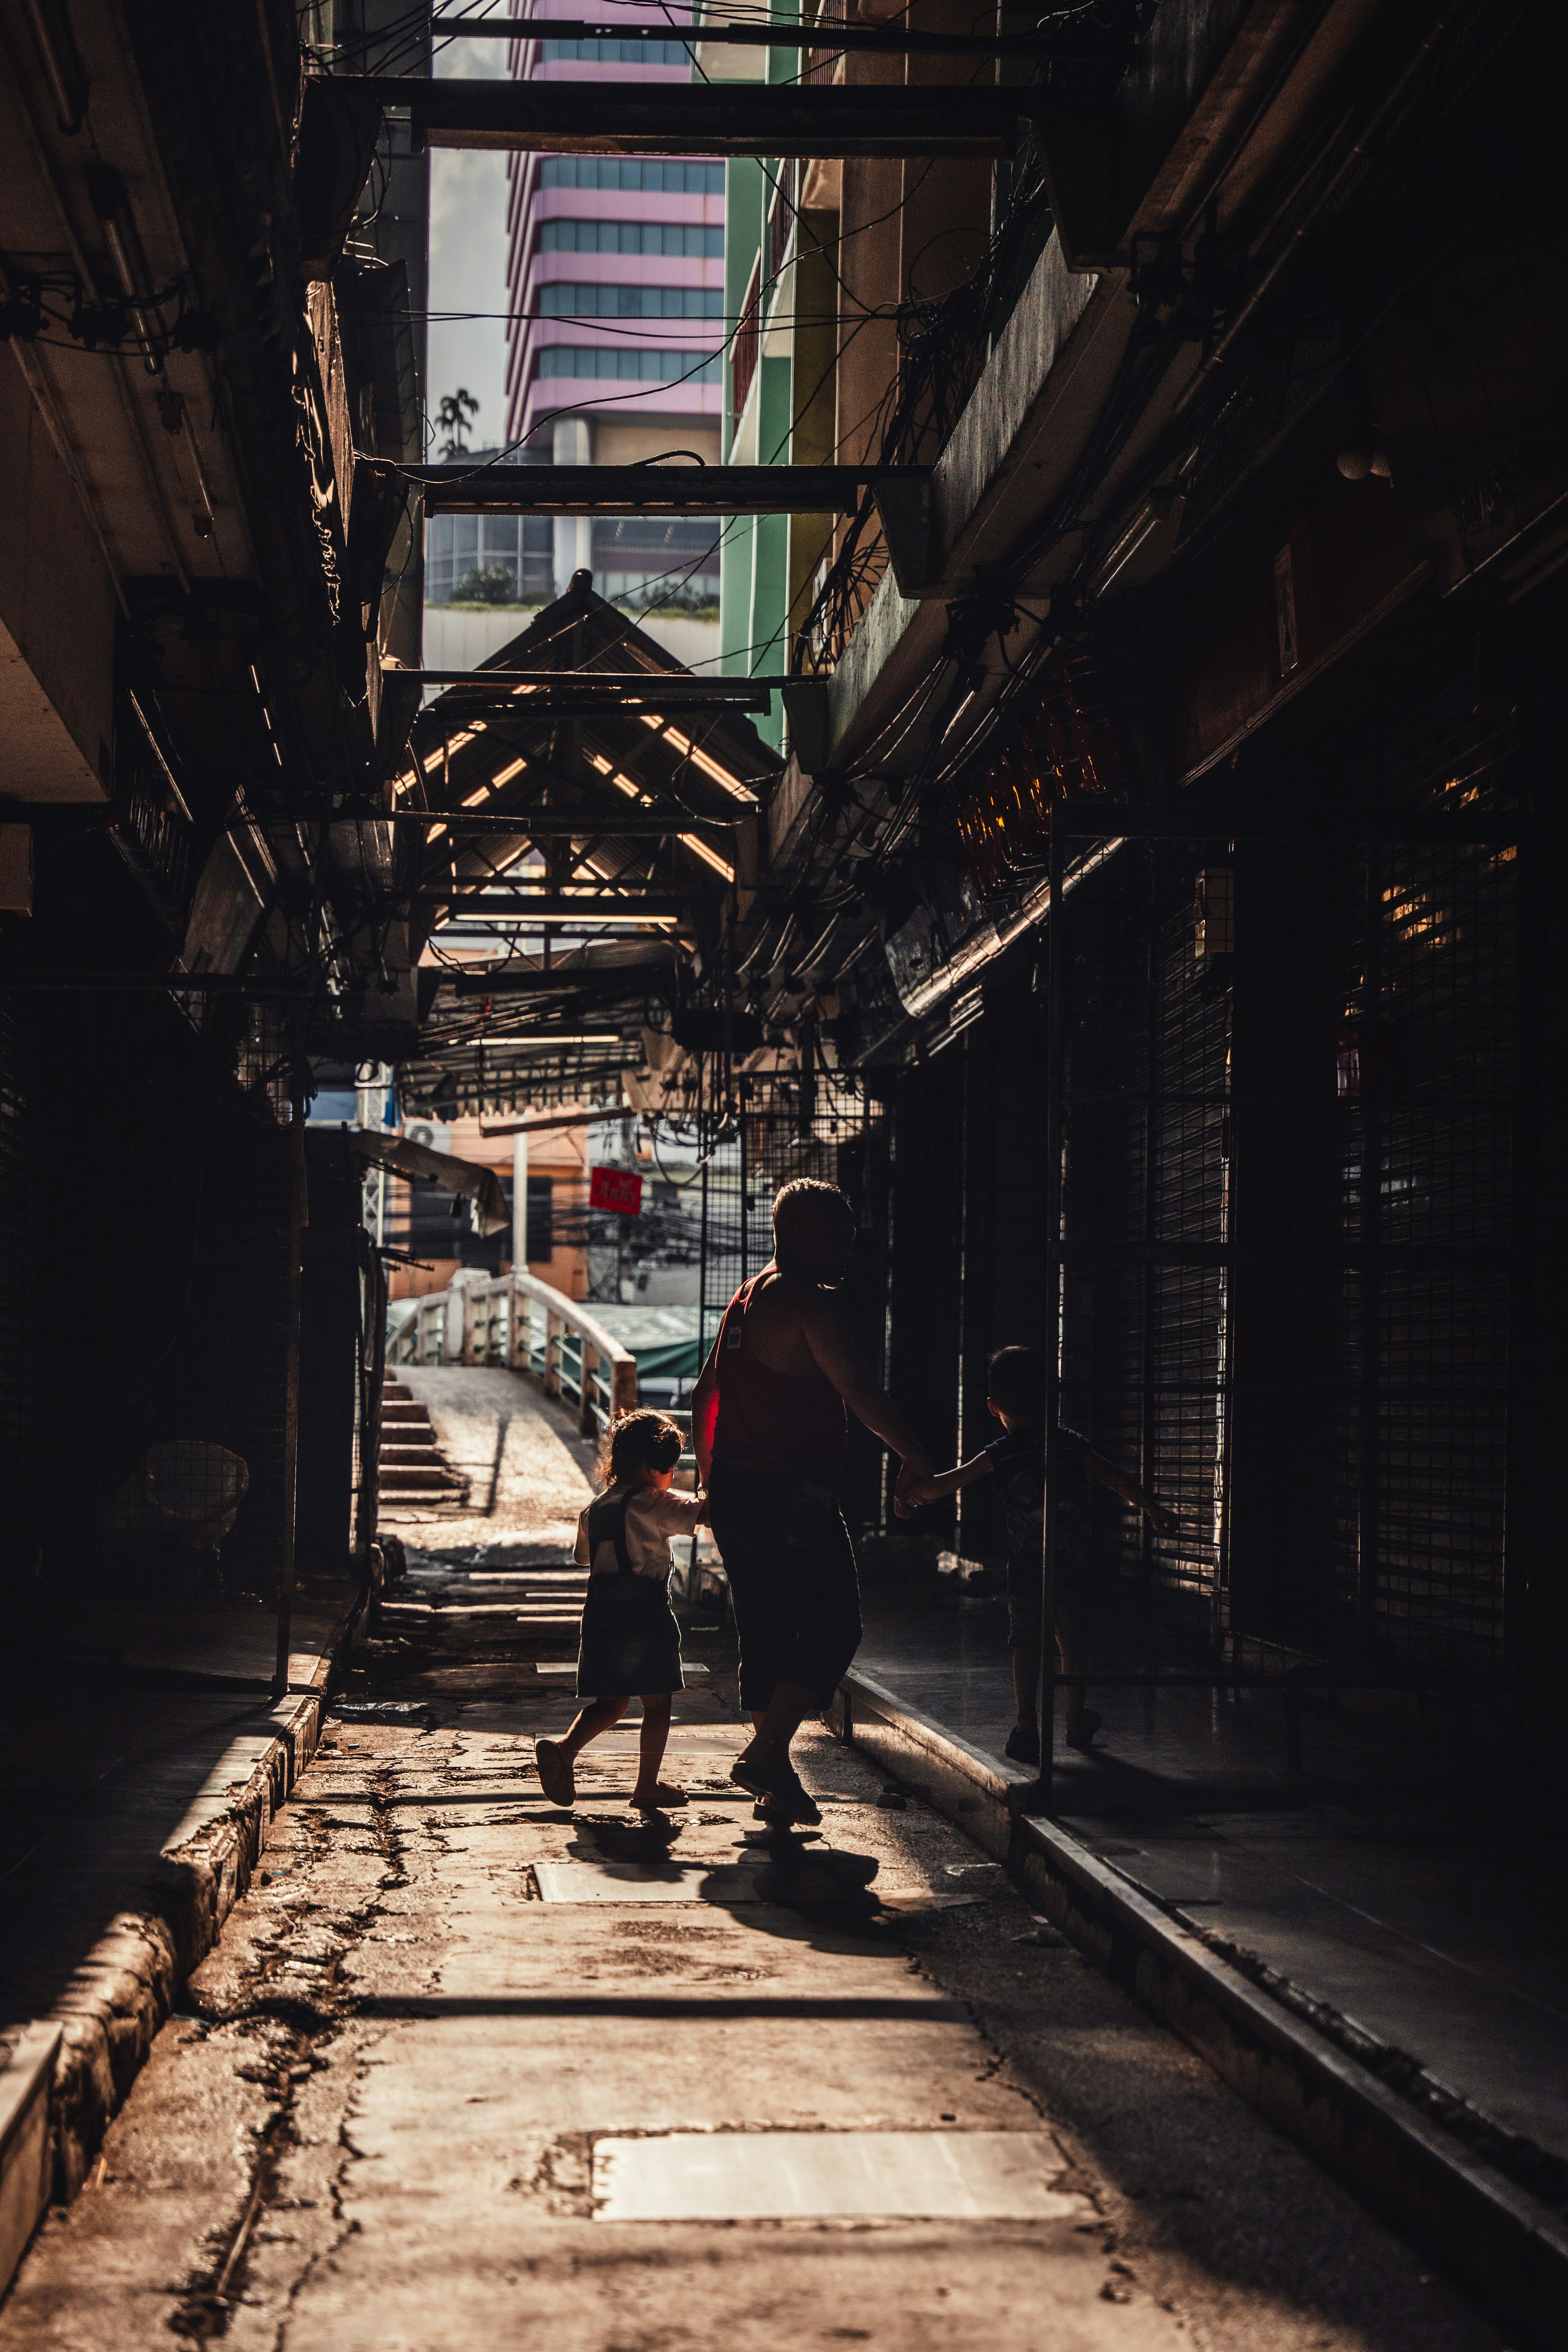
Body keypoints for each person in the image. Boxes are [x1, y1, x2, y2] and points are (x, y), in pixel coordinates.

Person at [691, 1177, 931, 1825]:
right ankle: (766, 1752)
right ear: (796, 1233)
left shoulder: (744, 1300)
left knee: (766, 1630)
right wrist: (914, 1454)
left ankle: (775, 1783)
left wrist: (713, 1485)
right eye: (836, 1237)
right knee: (833, 1624)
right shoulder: (808, 1304)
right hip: (789, 1491)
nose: (847, 1251)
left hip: (739, 1488)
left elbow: (703, 1396)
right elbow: (859, 1391)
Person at [903, 1345, 1177, 1763]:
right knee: (1072, 1644)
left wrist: (913, 1495)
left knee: (1026, 1644)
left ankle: (1027, 1725)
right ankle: (1074, 1720)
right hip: (1073, 1566)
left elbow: (948, 1484)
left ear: (994, 1407)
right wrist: (1153, 1508)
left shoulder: (1000, 1453)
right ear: (1054, 1398)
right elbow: (1116, 1479)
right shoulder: (1071, 1445)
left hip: (1029, 1569)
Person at [534, 1408, 705, 1812]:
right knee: (658, 1703)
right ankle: (647, 1784)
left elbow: (583, 1557)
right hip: (643, 1615)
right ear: (652, 1467)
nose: (671, 1476)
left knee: (611, 1702)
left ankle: (566, 1749)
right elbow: (702, 1514)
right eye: (670, 1467)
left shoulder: (596, 1507)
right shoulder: (654, 1503)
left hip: (601, 1614)